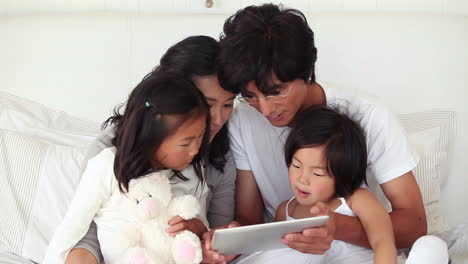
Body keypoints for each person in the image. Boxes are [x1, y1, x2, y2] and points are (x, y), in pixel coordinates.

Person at [202, 3, 427, 263]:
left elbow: (415, 224)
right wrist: (228, 242)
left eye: (276, 92)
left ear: (307, 72)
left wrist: (335, 227)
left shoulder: (370, 116)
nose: (264, 108)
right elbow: (250, 221)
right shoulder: (243, 117)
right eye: (250, 96)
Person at [65, 36, 238, 264]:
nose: (216, 119)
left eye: (228, 104)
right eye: (206, 104)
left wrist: (205, 235)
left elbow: (216, 231)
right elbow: (85, 235)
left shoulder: (219, 157)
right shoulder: (109, 153)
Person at [44, 71, 212, 263]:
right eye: (186, 143)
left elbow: (202, 223)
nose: (196, 149)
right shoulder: (107, 165)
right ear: (151, 138)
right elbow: (73, 225)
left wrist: (196, 226)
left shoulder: (192, 171)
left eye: (201, 137)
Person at [231, 106, 397, 264]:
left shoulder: (357, 199)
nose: (302, 179)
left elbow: (383, 241)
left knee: (423, 247)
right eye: (296, 165)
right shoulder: (286, 210)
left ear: (343, 174)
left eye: (317, 173)